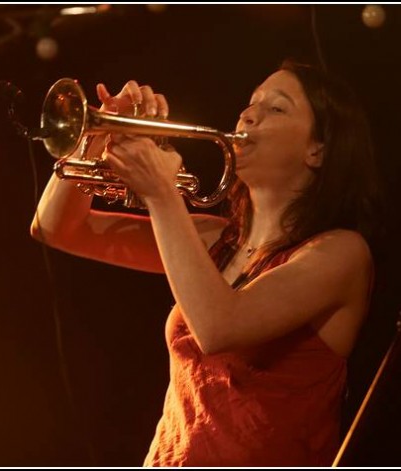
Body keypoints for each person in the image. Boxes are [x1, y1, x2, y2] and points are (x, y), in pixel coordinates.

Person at [31, 59, 382, 467]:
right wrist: (99, 131)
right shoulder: (215, 240)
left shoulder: (341, 253)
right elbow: (56, 228)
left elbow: (219, 326)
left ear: (317, 149)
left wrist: (163, 195)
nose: (249, 114)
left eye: (277, 108)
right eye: (251, 103)